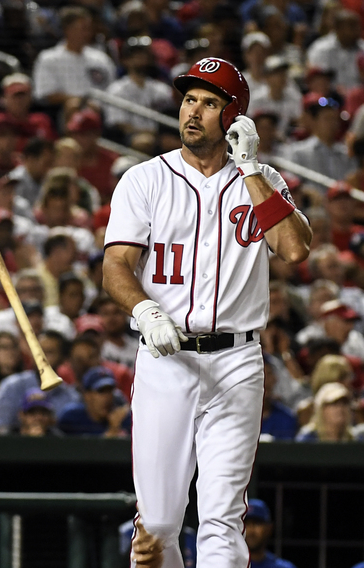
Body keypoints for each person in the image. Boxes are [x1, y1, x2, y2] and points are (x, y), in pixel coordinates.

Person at [102, 57, 311, 567]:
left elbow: (295, 248)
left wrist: (252, 170)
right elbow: (115, 266)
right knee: (157, 529)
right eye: (189, 99)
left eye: (210, 102)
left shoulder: (261, 181)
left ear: (234, 116)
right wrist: (146, 310)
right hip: (164, 358)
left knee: (222, 522)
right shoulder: (144, 179)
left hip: (237, 362)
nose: (193, 111)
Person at [57, 366, 130, 437]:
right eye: (101, 391)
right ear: (87, 395)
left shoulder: (123, 420)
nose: (107, 397)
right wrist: (112, 431)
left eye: (110, 391)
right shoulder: (72, 418)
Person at [244, 499, 297, 568]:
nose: (251, 530)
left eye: (256, 523)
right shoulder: (229, 564)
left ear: (269, 528)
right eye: (246, 524)